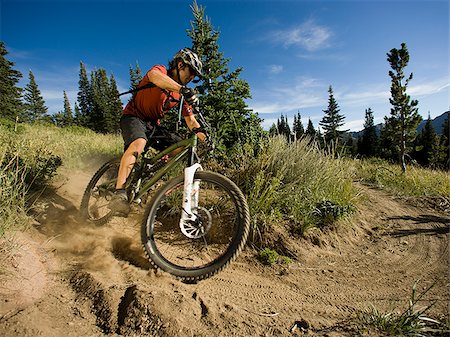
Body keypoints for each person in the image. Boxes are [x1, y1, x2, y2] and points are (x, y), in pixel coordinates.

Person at [109, 48, 206, 215]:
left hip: (153, 125)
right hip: (133, 117)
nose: (192, 78)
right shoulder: (161, 71)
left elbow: (191, 121)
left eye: (194, 76)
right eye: (191, 72)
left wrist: (204, 138)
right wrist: (181, 90)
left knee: (180, 147)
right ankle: (118, 193)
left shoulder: (181, 94)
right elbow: (154, 77)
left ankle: (146, 179)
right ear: (180, 65)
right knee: (139, 142)